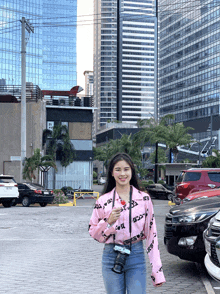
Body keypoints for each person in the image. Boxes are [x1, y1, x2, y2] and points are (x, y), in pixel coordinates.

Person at [89, 153, 165, 293]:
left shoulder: (144, 199)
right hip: (111, 255)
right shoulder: (103, 201)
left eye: (126, 169)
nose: (122, 173)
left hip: (136, 255)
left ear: (132, 171)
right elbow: (94, 234)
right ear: (111, 172)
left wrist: (157, 271)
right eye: (118, 169)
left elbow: (151, 236)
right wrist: (108, 222)